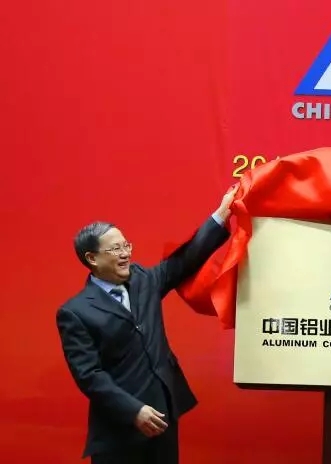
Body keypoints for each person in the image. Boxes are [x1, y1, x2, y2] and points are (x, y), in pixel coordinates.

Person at [56, 186, 238, 464]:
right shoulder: (75, 312)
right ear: (92, 258)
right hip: (120, 430)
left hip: (163, 416)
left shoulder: (142, 280)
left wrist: (221, 214)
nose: (125, 254)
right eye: (115, 249)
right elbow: (89, 375)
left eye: (126, 246)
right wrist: (133, 411)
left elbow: (183, 261)